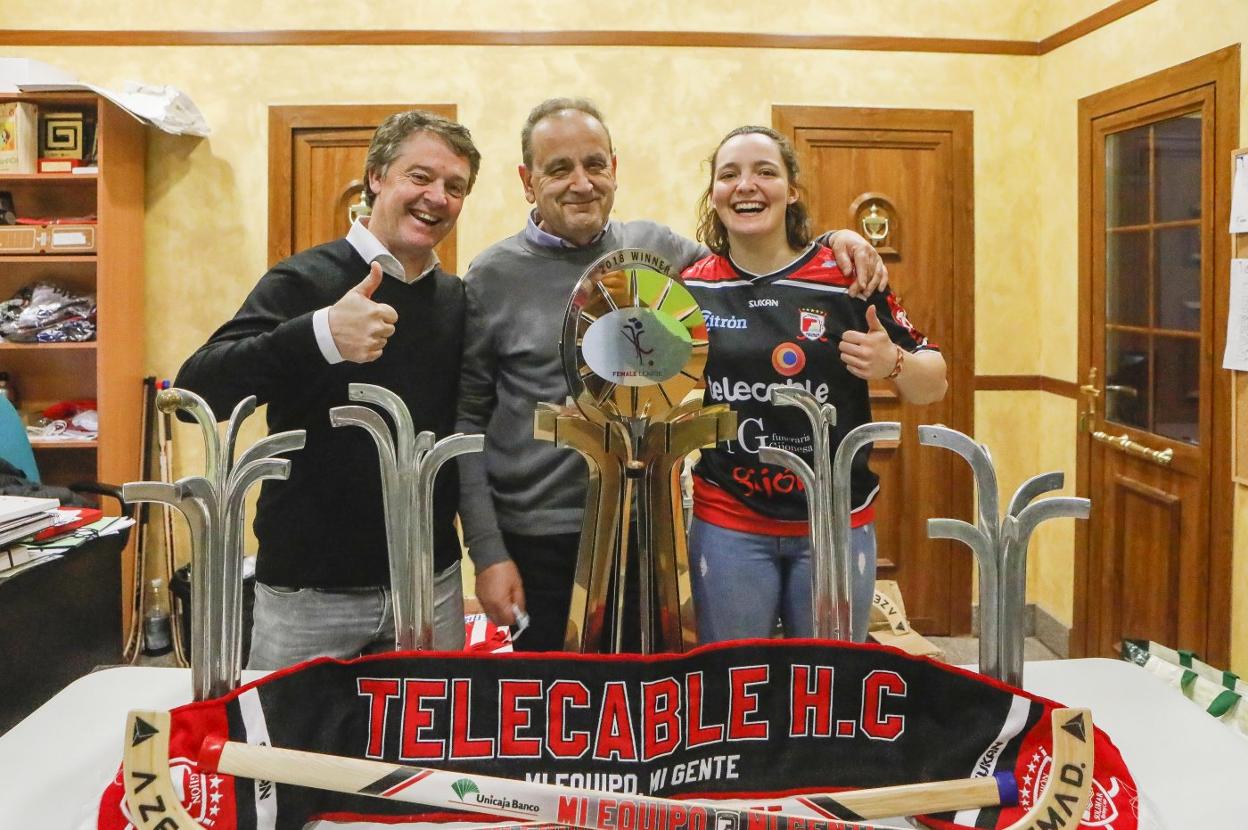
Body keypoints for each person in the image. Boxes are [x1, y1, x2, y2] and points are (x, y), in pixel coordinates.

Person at [456, 98, 887, 651]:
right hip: (538, 533)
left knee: (648, 705)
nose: (581, 183)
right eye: (558, 169)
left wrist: (832, 242)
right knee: (556, 710)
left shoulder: (660, 251)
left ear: (615, 166)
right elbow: (467, 420)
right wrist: (488, 552)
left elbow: (753, 256)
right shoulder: (491, 276)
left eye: (595, 164)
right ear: (527, 179)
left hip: (647, 529)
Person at [175, 110, 480, 668]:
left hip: (430, 584)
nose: (437, 197)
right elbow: (197, 391)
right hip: (308, 596)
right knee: (290, 751)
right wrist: (319, 335)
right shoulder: (301, 281)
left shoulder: (456, 300)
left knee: (422, 754)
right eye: (420, 176)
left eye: (454, 187)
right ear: (376, 177)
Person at [680, 125, 947, 644]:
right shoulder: (693, 286)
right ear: (713, 194)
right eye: (729, 174)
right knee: (736, 685)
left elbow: (932, 382)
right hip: (729, 519)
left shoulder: (846, 275)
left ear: (792, 190)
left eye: (765, 172)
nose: (746, 185)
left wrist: (893, 362)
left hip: (835, 520)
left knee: (830, 690)